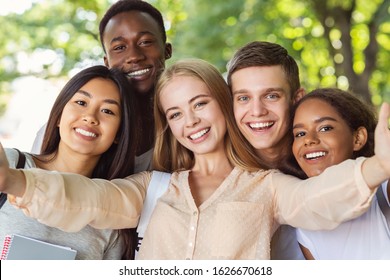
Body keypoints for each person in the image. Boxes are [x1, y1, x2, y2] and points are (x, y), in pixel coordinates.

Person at [0, 58, 389, 260]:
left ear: (222, 104)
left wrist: (378, 167)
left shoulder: (266, 186)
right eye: (175, 113)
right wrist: (17, 181)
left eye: (200, 104)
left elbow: (315, 200)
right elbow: (90, 198)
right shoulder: (152, 186)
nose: (191, 122)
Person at [0, 65, 139, 259]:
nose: (90, 117)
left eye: (107, 111)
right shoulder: (10, 164)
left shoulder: (113, 217)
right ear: (58, 116)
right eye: (81, 102)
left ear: (119, 133)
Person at [31, 0, 172, 173]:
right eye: (119, 47)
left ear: (167, 50)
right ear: (107, 62)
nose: (134, 56)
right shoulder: (70, 132)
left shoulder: (183, 127)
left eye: (145, 42)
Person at [287, 88, 390, 259]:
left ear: (357, 139)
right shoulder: (303, 225)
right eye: (300, 133)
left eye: (325, 128)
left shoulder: (383, 187)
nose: (309, 139)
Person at [226, 41, 305, 259]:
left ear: (296, 99)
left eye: (271, 96)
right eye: (243, 98)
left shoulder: (324, 163)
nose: (257, 111)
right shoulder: (220, 177)